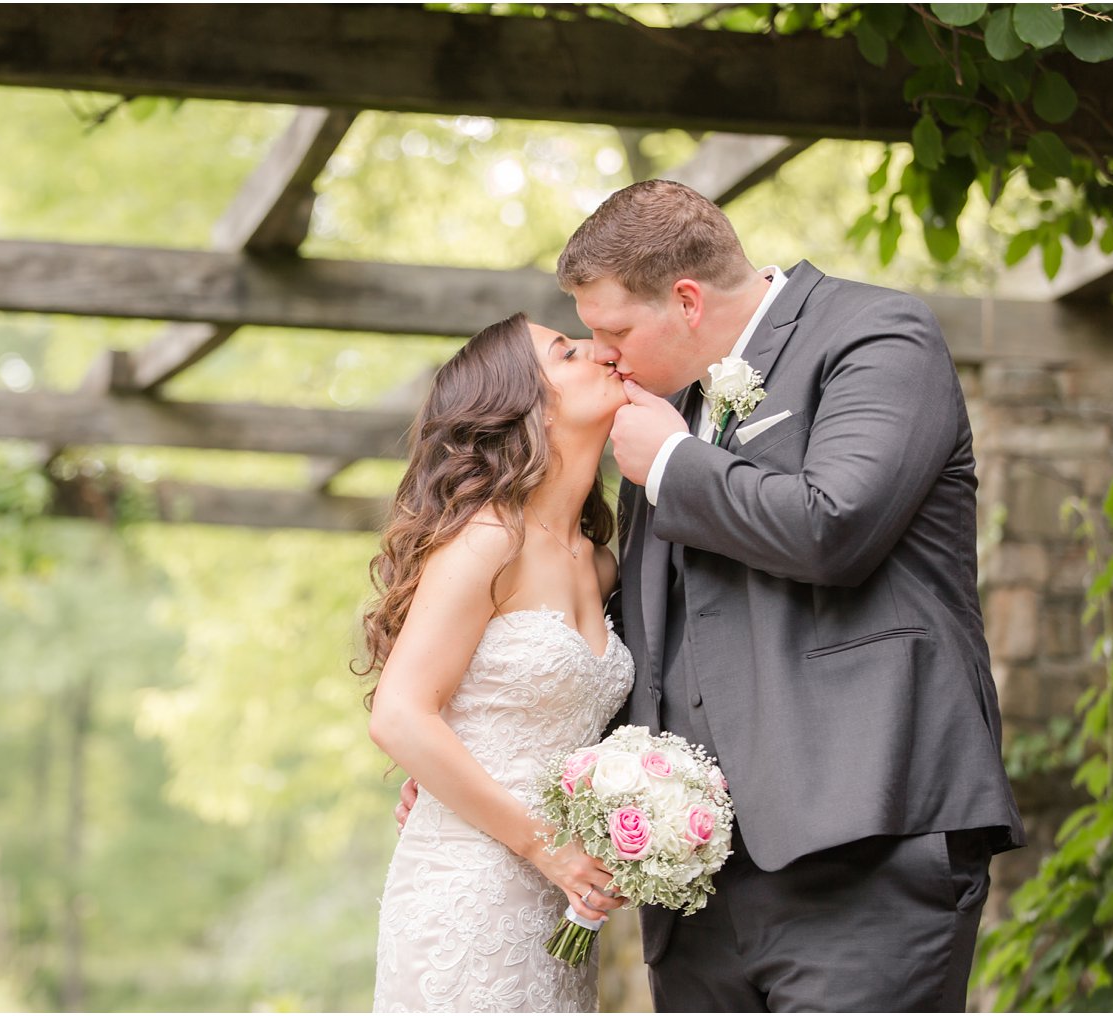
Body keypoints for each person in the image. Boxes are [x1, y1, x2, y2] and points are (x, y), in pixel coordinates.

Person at [401, 179, 1025, 1012]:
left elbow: (835, 526)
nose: (607, 354)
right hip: (697, 890)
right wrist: (481, 760)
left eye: (615, 329)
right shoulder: (660, 417)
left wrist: (670, 463)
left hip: (865, 848)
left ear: (686, 300)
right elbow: (638, 643)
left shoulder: (874, 335)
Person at [362, 312, 637, 1013]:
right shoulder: (488, 540)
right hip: (467, 888)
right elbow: (398, 716)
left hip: (558, 902)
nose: (601, 351)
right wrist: (545, 847)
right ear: (527, 409)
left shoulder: (600, 563)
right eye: (567, 352)